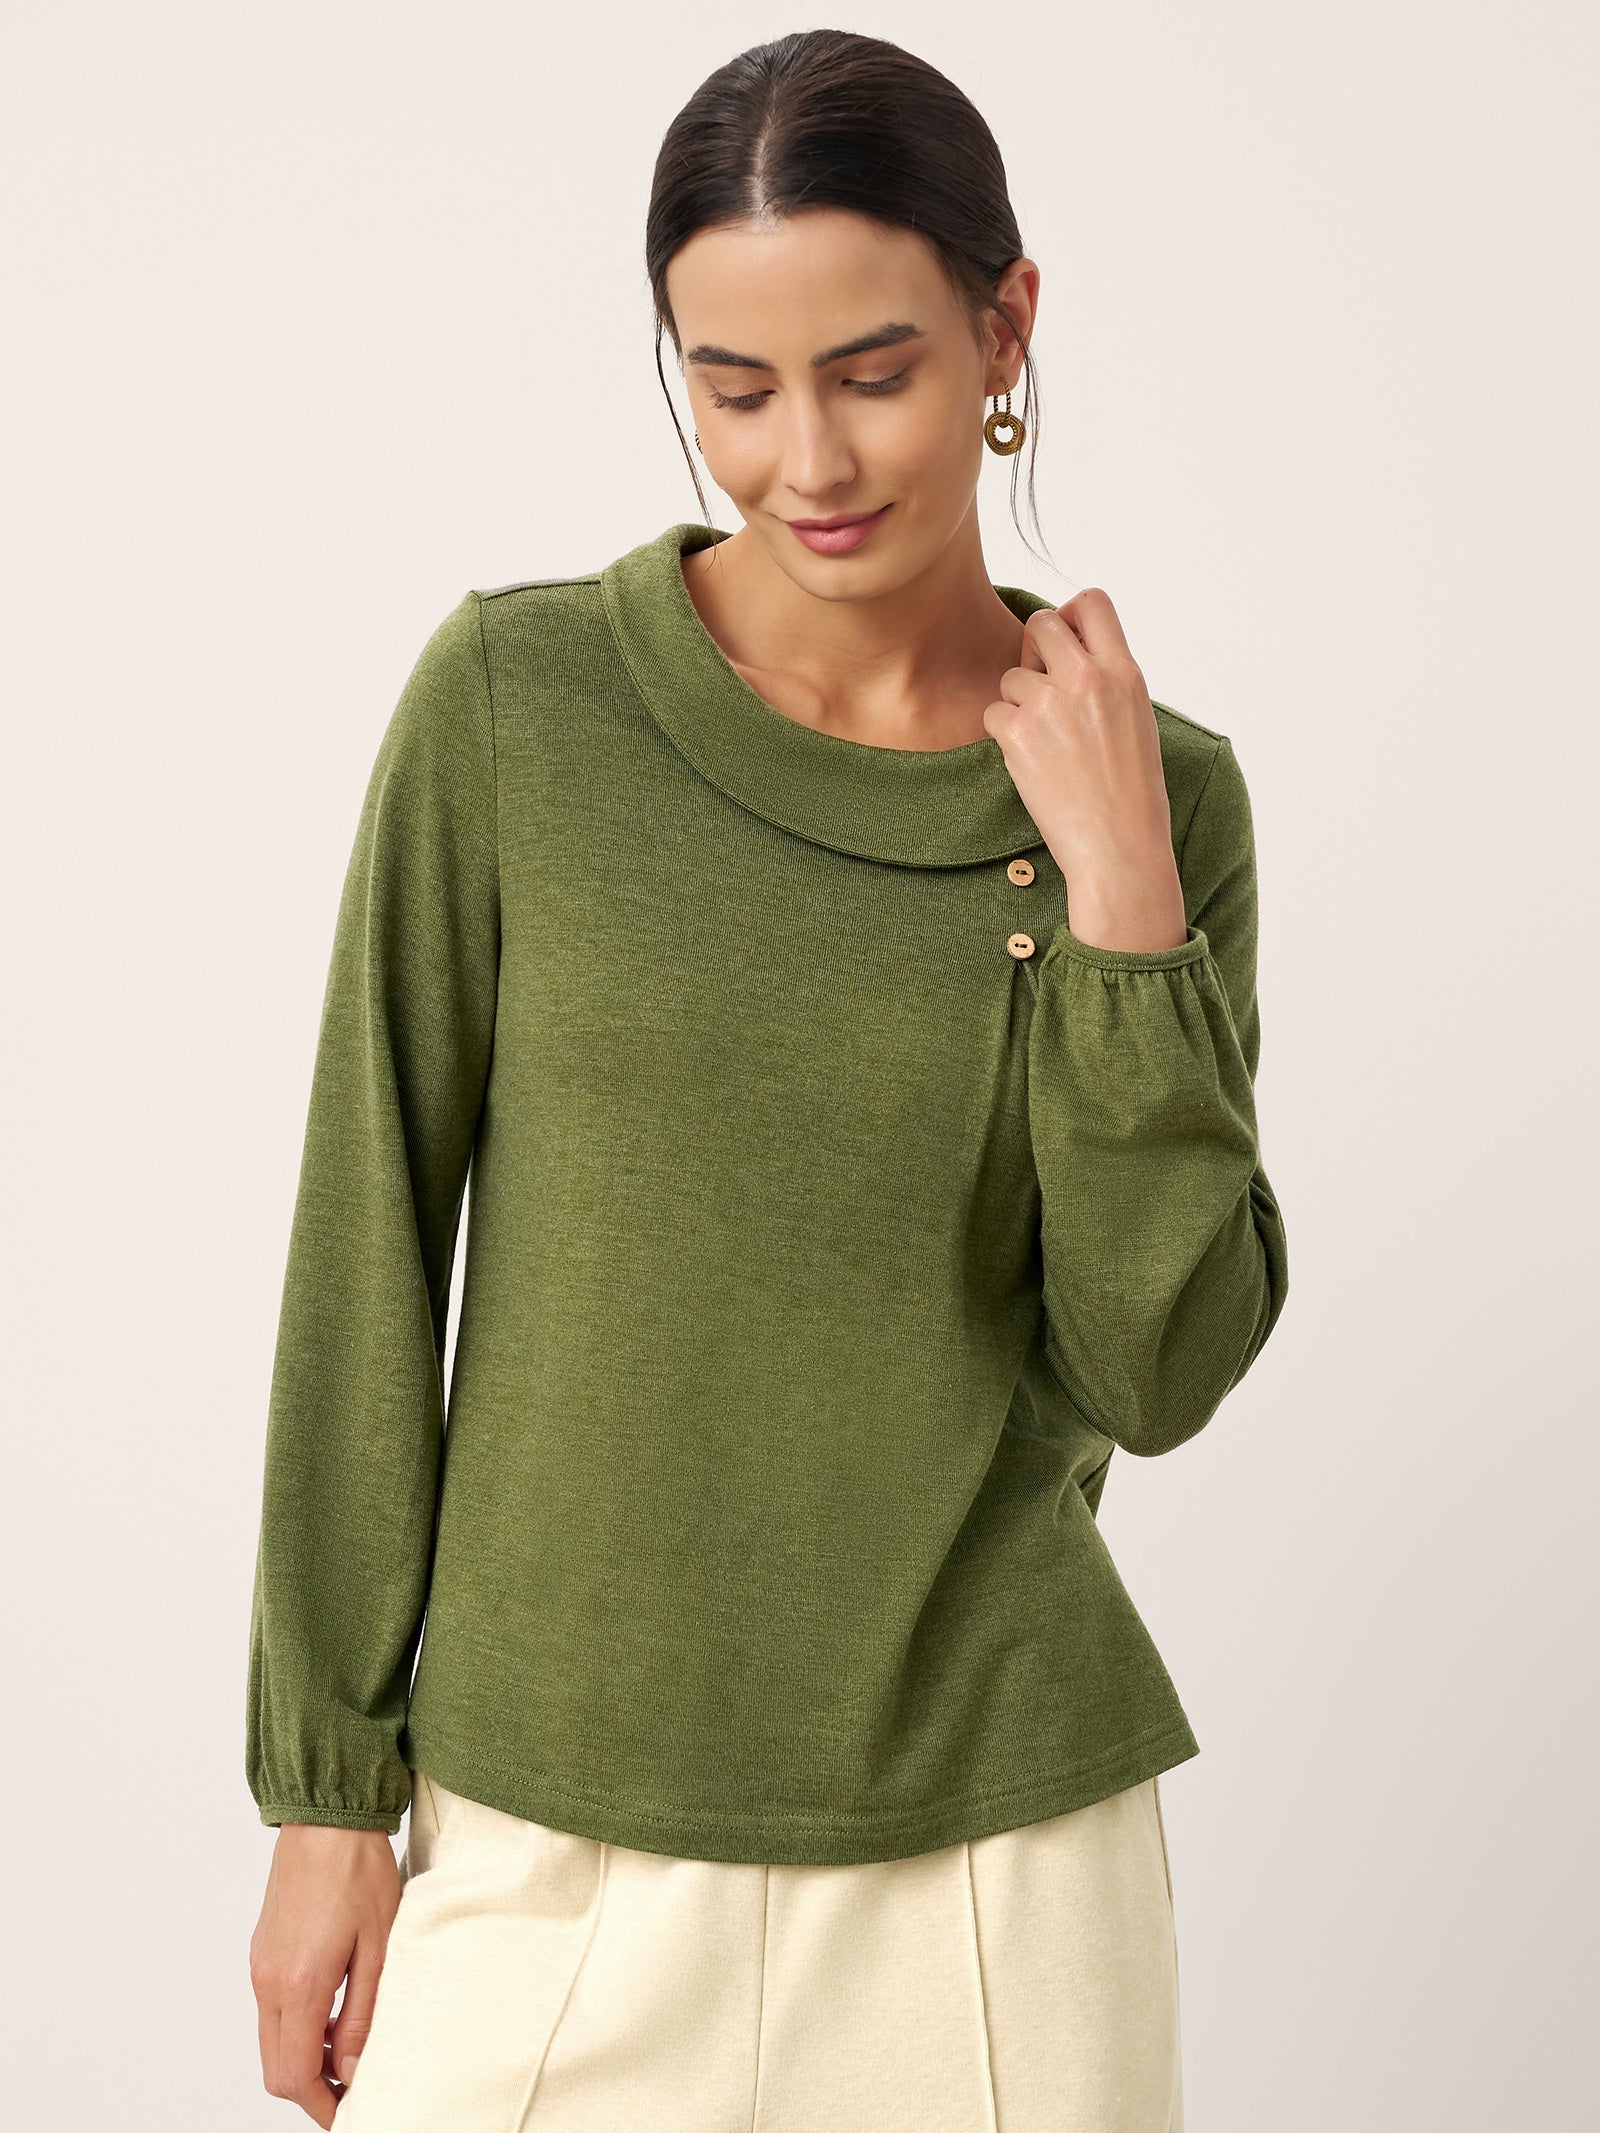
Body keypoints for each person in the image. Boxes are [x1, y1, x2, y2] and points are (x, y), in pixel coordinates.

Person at [245, 28, 1289, 2132]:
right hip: (542, 1839)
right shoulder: (517, 706)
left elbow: (1156, 1364)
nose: (804, 457)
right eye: (731, 388)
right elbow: (369, 1240)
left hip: (996, 1876)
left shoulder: (1155, 797)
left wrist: (1118, 911)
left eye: (872, 372)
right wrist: (324, 1788)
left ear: (1004, 330)